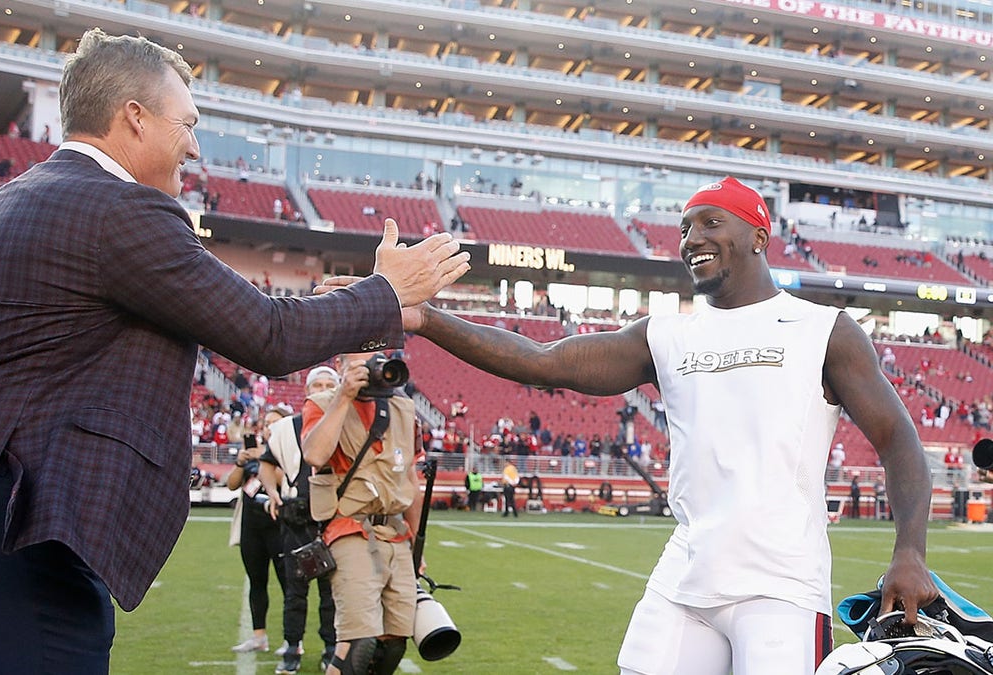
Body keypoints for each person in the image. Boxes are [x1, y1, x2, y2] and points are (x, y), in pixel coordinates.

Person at [0, 29, 469, 674]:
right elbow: (267, 334)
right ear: (134, 117)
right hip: (18, 532)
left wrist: (366, 309)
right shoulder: (115, 208)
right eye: (186, 124)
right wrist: (386, 292)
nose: (194, 146)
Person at [384, 176, 936, 674]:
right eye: (685, 229)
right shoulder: (667, 335)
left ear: (759, 237)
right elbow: (542, 360)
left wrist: (909, 551)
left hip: (781, 585)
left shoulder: (823, 330)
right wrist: (426, 319)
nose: (692, 239)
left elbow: (899, 441)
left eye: (710, 223)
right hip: (685, 573)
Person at [301, 354, 423, 675]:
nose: (372, 370)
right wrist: (344, 396)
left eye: (377, 362)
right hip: (350, 526)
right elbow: (314, 454)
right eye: (362, 363)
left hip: (396, 532)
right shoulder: (322, 402)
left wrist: (417, 545)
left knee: (393, 643)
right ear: (341, 365)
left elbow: (410, 478)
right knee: (359, 643)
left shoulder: (403, 407)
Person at [258, 366, 343, 673]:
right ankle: (292, 646)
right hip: (298, 516)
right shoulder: (287, 427)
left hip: (335, 514)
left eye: (330, 384)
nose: (323, 389)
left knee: (332, 592)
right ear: (307, 391)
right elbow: (266, 464)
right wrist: (272, 493)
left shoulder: (348, 422)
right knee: (296, 590)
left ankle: (332, 647)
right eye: (318, 385)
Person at [226, 409, 288, 657]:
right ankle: (258, 636)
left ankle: (292, 639)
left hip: (278, 526)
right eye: (267, 423)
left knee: (288, 584)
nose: (269, 427)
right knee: (256, 581)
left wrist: (265, 456)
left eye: (275, 423)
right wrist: (241, 462)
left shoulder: (289, 450)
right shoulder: (252, 451)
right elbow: (232, 484)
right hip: (251, 526)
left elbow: (286, 481)